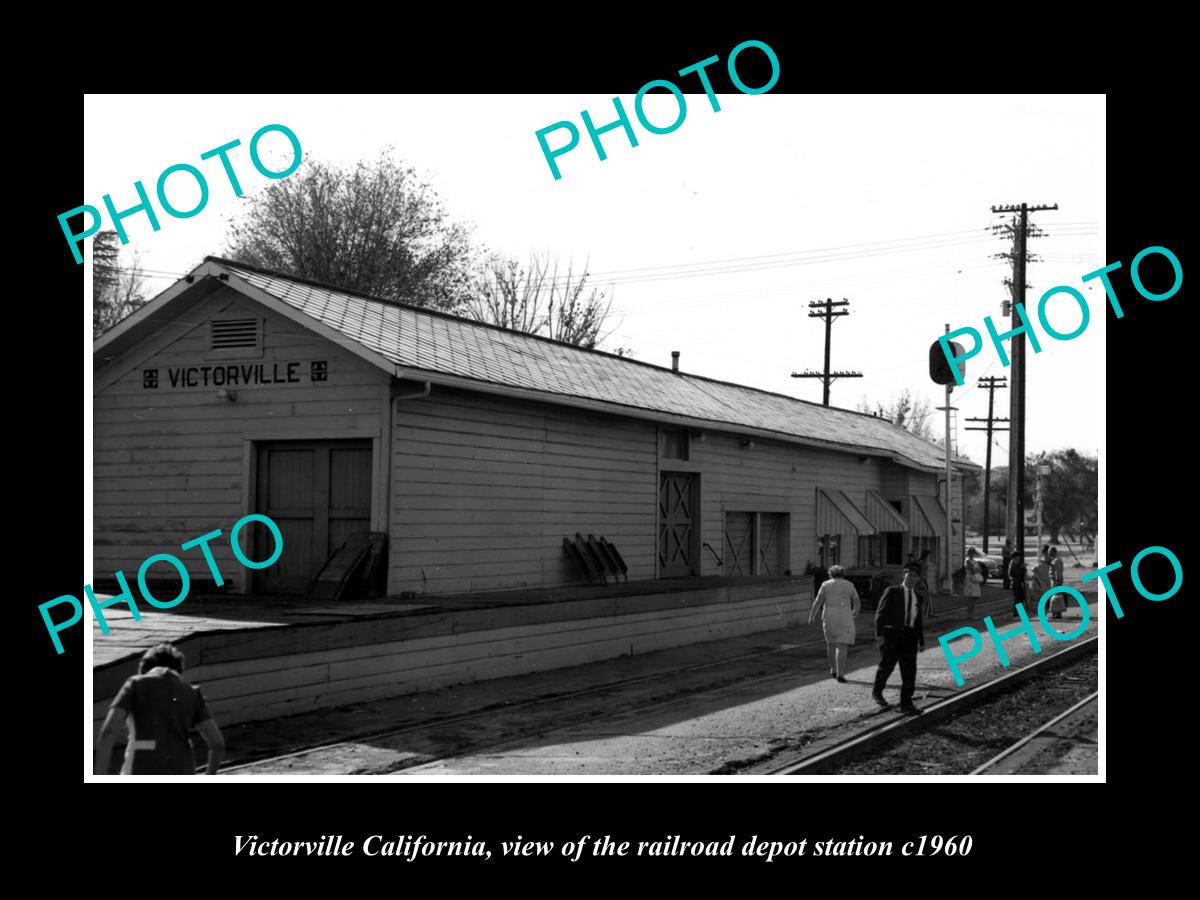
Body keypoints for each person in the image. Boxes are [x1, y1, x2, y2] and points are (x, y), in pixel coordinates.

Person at [95, 642, 225, 775]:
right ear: (179, 670)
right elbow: (217, 744)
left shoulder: (135, 684)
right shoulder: (192, 692)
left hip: (141, 766)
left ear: (144, 669)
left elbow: (109, 732)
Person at [872, 563, 926, 715]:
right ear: (904, 575)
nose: (912, 579)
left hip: (910, 638)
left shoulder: (918, 597)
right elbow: (879, 614)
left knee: (909, 671)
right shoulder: (892, 591)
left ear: (918, 579)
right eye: (909, 576)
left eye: (915, 576)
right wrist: (879, 635)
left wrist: (921, 641)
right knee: (887, 666)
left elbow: (918, 620)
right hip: (892, 637)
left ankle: (906, 704)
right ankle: (877, 691)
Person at [808, 564, 861, 683]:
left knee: (831, 644)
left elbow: (818, 601)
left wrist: (812, 616)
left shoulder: (826, 585)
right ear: (843, 574)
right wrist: (855, 612)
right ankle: (841, 673)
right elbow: (856, 601)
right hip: (845, 615)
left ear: (830, 574)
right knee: (842, 645)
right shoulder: (849, 585)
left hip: (829, 615)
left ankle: (833, 669)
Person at [1048, 546, 1066, 619]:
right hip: (1056, 580)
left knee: (1056, 598)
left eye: (1050, 552)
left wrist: (1057, 582)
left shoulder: (1056, 561)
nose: (1049, 553)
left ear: (1053, 552)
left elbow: (1057, 572)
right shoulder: (1058, 560)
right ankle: (1057, 613)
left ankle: (1056, 613)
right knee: (1057, 597)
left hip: (1056, 581)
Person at [1008, 552, 1028, 619]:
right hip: (1015, 583)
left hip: (1020, 583)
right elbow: (1011, 574)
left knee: (1021, 598)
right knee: (1017, 598)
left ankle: (1020, 614)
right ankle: (1016, 614)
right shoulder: (1012, 564)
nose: (1019, 558)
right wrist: (1021, 569)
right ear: (1014, 557)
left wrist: (1024, 569)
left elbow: (1023, 572)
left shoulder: (1018, 564)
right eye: (1017, 556)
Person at [963, 548, 983, 618]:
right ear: (968, 553)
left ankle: (973, 613)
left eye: (973, 553)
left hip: (976, 579)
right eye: (971, 553)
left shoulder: (974, 561)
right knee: (971, 597)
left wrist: (977, 569)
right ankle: (969, 614)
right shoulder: (967, 561)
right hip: (970, 579)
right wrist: (976, 569)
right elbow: (973, 570)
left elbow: (981, 569)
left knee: (976, 597)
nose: (972, 554)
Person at [917, 549, 935, 617]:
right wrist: (921, 582)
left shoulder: (920, 561)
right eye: (928, 555)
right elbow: (922, 573)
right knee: (928, 596)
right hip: (922, 580)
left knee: (921, 596)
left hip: (920, 579)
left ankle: (927, 612)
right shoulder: (923, 562)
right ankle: (928, 613)